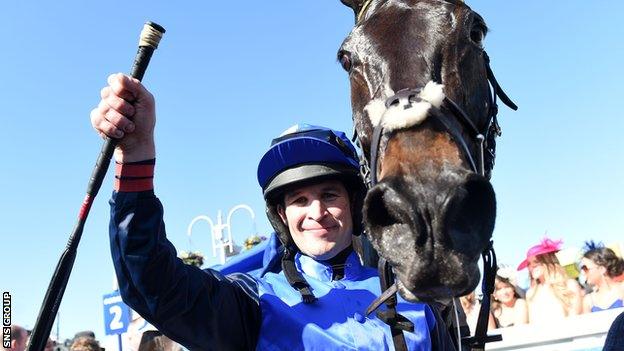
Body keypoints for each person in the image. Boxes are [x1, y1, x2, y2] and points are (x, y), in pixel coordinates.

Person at [91, 73, 456, 350]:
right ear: (281, 217)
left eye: (329, 194)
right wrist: (137, 154)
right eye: (298, 200)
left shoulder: (414, 300)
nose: (316, 211)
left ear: (354, 205)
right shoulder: (254, 301)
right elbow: (153, 285)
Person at [517, 238, 583, 324]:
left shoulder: (569, 285)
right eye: (529, 263)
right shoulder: (531, 293)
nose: (531, 266)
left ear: (548, 262)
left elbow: (575, 317)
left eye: (536, 262)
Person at [580, 242, 624, 313]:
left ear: (601, 269)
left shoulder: (622, 289)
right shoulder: (588, 301)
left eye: (585, 268)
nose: (582, 272)